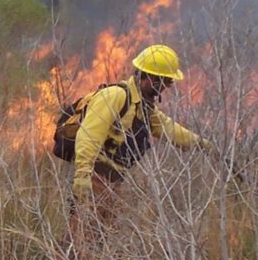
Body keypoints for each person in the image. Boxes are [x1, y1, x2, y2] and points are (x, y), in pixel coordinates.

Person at [70, 44, 210, 210]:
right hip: (94, 177)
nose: (166, 87)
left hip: (113, 181)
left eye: (169, 82)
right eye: (166, 81)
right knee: (83, 233)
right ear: (151, 78)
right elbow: (89, 136)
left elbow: (169, 129)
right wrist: (82, 177)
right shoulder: (115, 96)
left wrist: (206, 147)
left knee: (102, 234)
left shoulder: (143, 108)